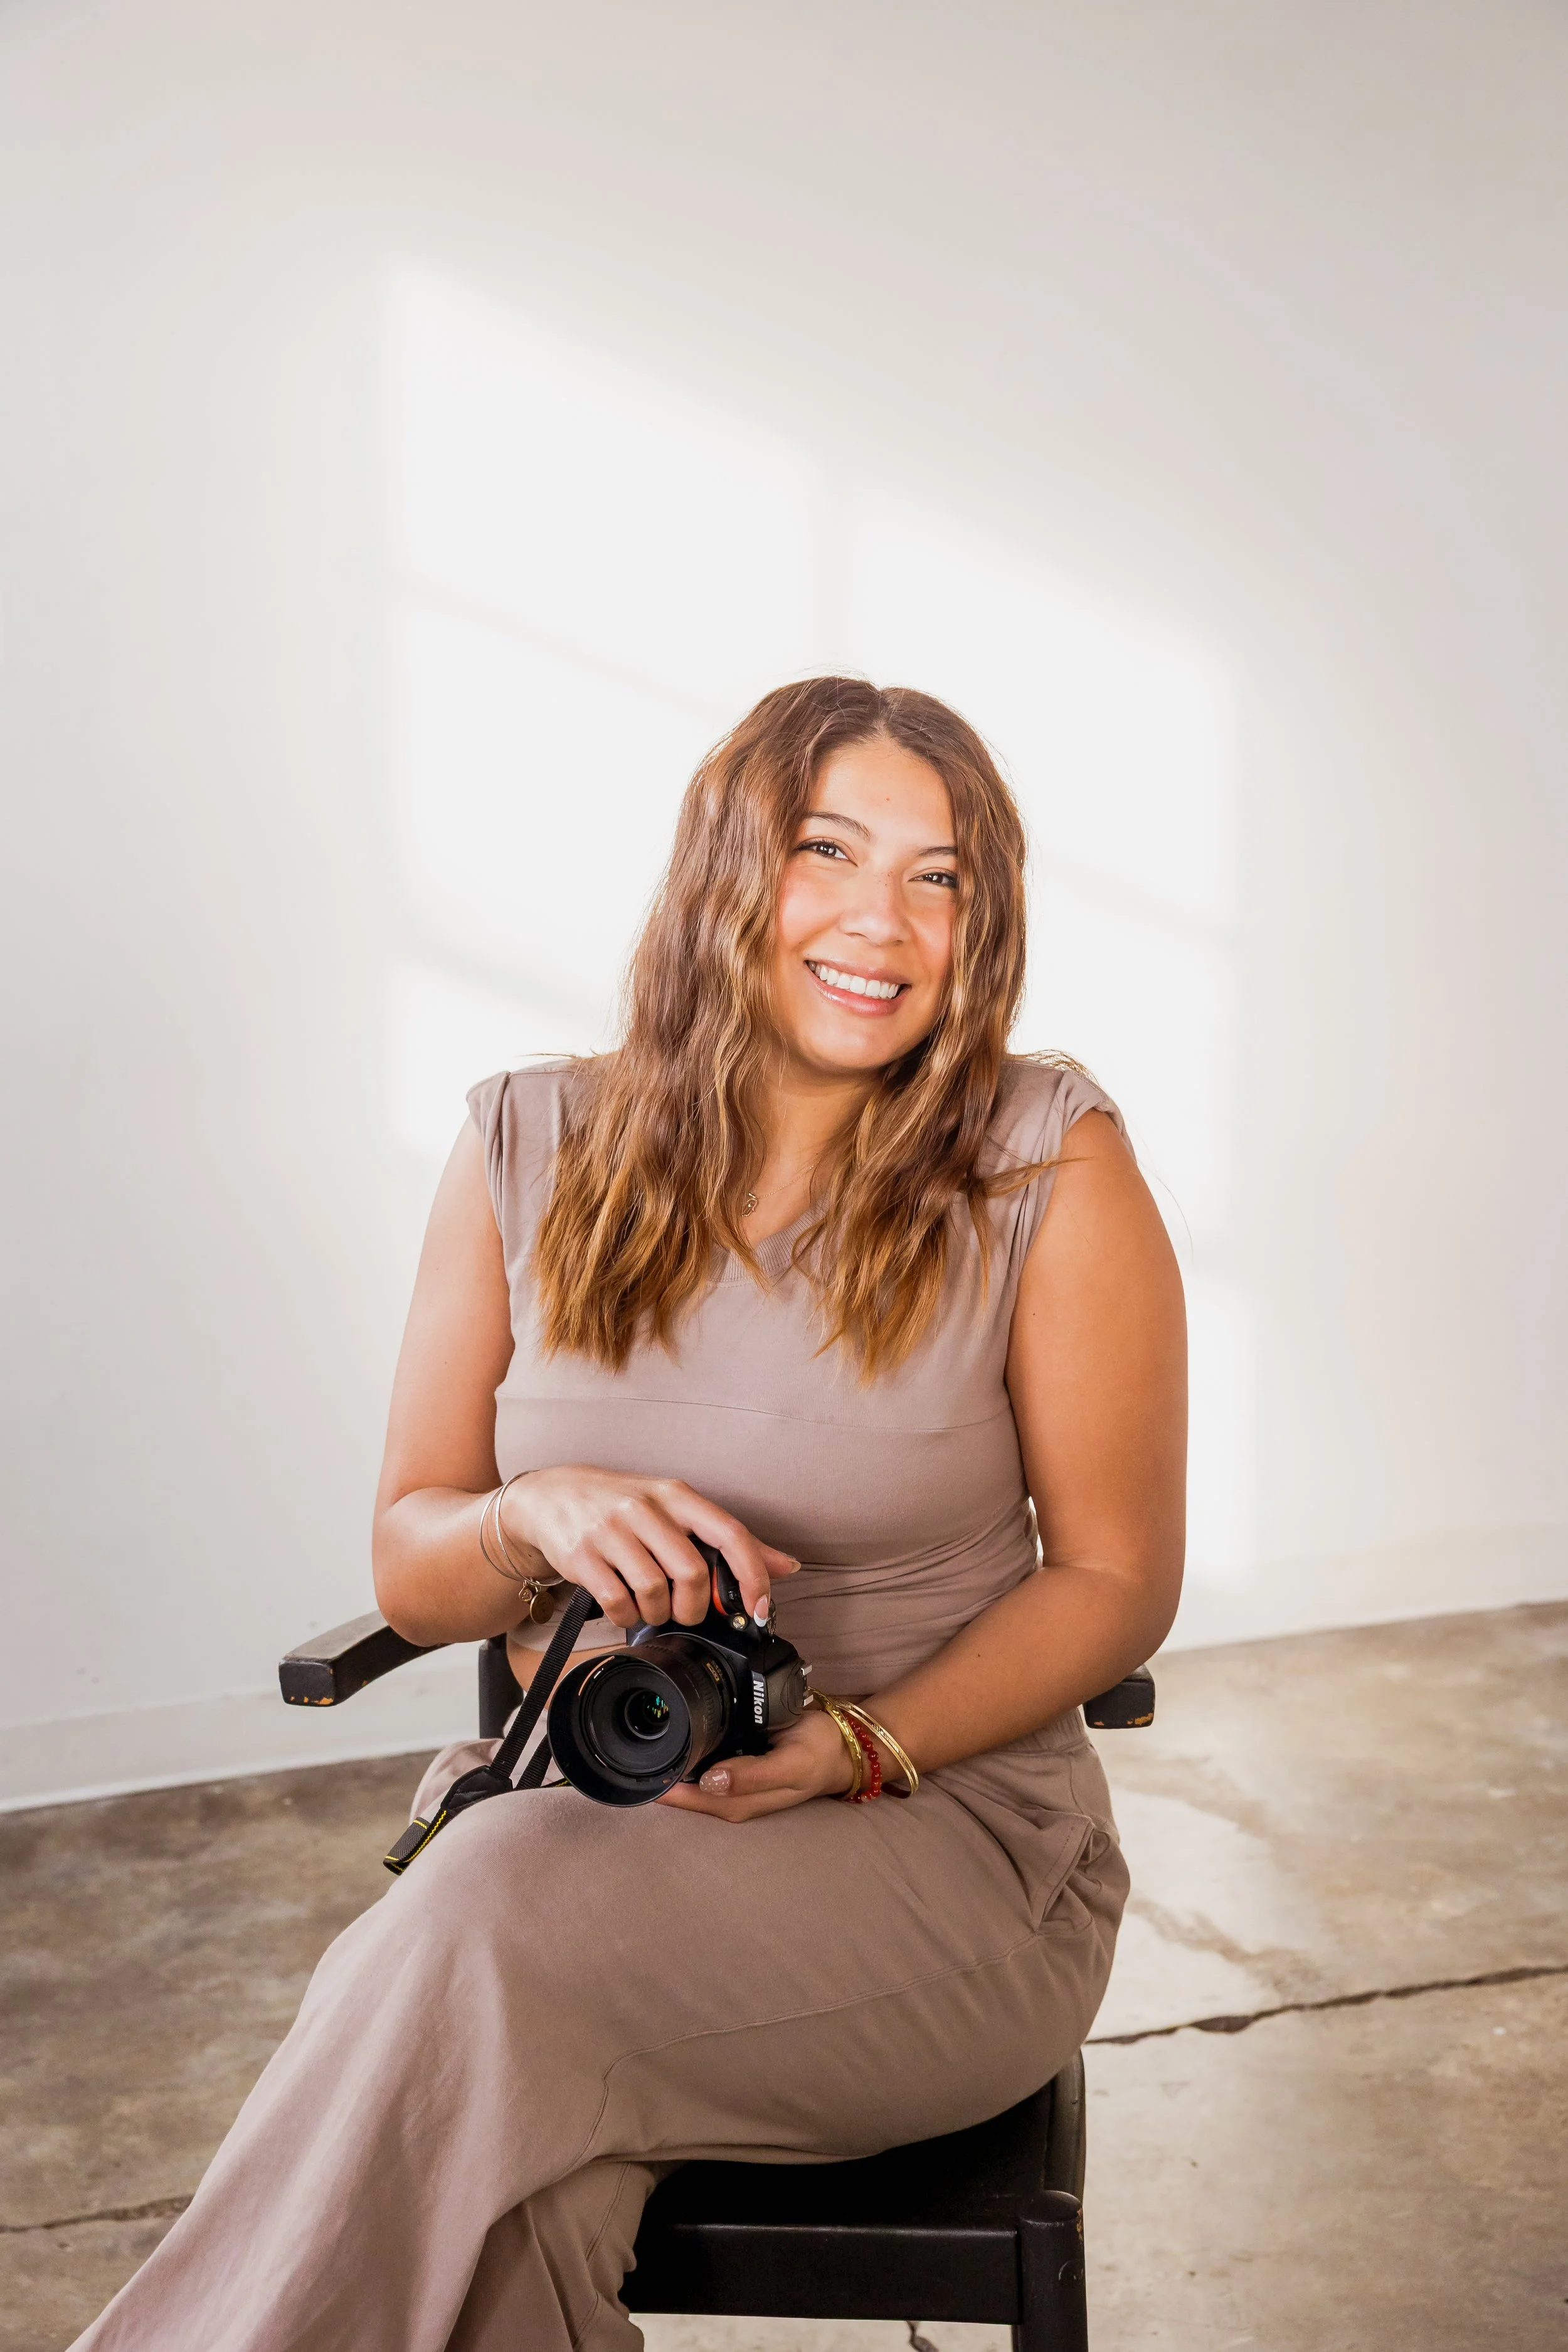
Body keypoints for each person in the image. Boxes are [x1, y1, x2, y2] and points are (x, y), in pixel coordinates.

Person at [74, 676, 1186, 2352]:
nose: (882, 919)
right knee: (498, 2197)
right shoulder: (527, 1140)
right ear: (726, 867)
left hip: (936, 1845)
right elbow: (415, 1561)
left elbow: (1115, 1576)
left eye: (940, 876)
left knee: (468, 1935)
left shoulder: (1042, 1160)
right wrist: (533, 1512)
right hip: (577, 1816)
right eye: (829, 849)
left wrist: (857, 1740)